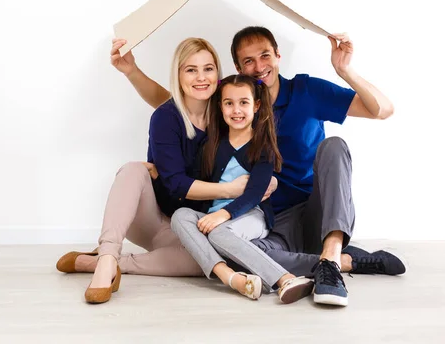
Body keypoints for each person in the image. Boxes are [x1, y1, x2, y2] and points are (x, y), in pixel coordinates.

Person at [113, 27, 405, 307]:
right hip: (265, 220)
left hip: (312, 208)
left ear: (278, 55)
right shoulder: (237, 103)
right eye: (248, 61)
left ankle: (330, 256)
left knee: (334, 146)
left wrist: (345, 70)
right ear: (238, 69)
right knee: (235, 254)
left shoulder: (306, 91)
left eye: (265, 55)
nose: (259, 66)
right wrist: (131, 72)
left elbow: (382, 109)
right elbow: (177, 101)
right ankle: (346, 260)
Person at [56, 37, 275, 304]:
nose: (201, 77)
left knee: (206, 263)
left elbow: (254, 144)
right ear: (178, 74)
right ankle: (107, 257)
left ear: (217, 74)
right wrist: (232, 188)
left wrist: (264, 181)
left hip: (188, 227)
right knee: (134, 170)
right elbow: (177, 184)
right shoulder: (166, 117)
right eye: (190, 70)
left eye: (208, 69)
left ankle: (108, 263)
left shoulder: (224, 112)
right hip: (154, 218)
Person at [172, 74, 315, 303]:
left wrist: (223, 214)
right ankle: (232, 278)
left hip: (251, 215)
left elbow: (254, 194)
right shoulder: (211, 144)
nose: (236, 110)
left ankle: (285, 278)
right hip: (213, 216)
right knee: (180, 216)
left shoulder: (263, 147)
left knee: (219, 232)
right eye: (229, 103)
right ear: (220, 106)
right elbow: (193, 181)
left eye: (243, 102)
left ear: (256, 105)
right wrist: (158, 170)